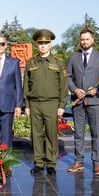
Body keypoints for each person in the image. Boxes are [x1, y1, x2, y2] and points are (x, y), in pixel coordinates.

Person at [66, 27, 99, 176]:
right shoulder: (73, 57)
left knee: (96, 133)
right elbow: (68, 77)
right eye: (82, 39)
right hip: (78, 102)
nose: (84, 42)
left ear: (92, 40)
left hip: (94, 101)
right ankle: (78, 161)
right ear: (80, 41)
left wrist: (97, 89)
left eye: (87, 39)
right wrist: (74, 90)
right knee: (78, 133)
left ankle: (97, 163)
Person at [23, 29, 68, 175]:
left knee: (51, 134)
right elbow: (26, 86)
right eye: (40, 43)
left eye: (46, 43)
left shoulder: (58, 63)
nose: (43, 46)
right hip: (35, 103)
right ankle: (38, 163)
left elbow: (63, 86)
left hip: (51, 104)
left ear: (50, 44)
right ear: (37, 45)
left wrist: (61, 106)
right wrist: (27, 105)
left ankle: (51, 163)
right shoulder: (31, 63)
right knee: (36, 134)